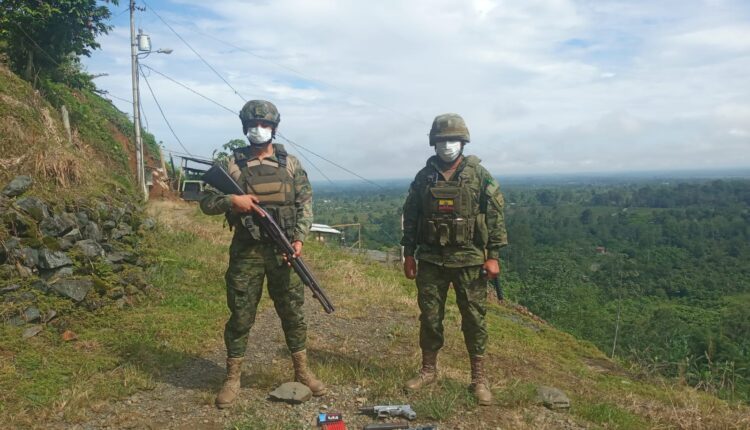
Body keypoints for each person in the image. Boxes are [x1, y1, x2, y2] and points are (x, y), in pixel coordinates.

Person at [200, 100, 325, 409]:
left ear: (274, 128)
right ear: (245, 128)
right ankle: (232, 377)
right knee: (241, 314)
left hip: (283, 252)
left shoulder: (291, 164)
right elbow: (205, 202)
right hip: (247, 252)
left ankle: (302, 372)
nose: (259, 129)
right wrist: (233, 200)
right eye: (254, 124)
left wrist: (299, 239)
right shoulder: (231, 164)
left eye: (265, 125)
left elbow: (304, 204)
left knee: (293, 313)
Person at [400, 113, 508, 405]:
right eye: (442, 140)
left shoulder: (479, 175)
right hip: (432, 260)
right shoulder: (424, 177)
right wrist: (408, 254)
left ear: (462, 142)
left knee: (474, 319)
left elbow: (495, 215)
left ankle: (479, 378)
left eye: (453, 140)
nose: (447, 145)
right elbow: (411, 216)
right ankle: (428, 370)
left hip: (470, 260)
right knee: (430, 318)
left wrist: (493, 255)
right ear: (434, 143)